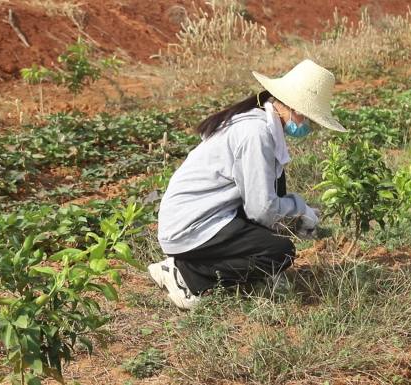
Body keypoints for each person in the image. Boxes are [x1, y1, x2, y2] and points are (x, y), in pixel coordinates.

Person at [148, 59, 346, 309]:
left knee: (277, 184)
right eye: (308, 117)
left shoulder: (259, 122)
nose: (307, 124)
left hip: (201, 216)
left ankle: (250, 274)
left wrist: (294, 212)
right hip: (191, 226)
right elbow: (261, 209)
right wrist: (300, 209)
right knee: (279, 252)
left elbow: (262, 197)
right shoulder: (257, 134)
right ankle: (186, 273)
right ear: (293, 107)